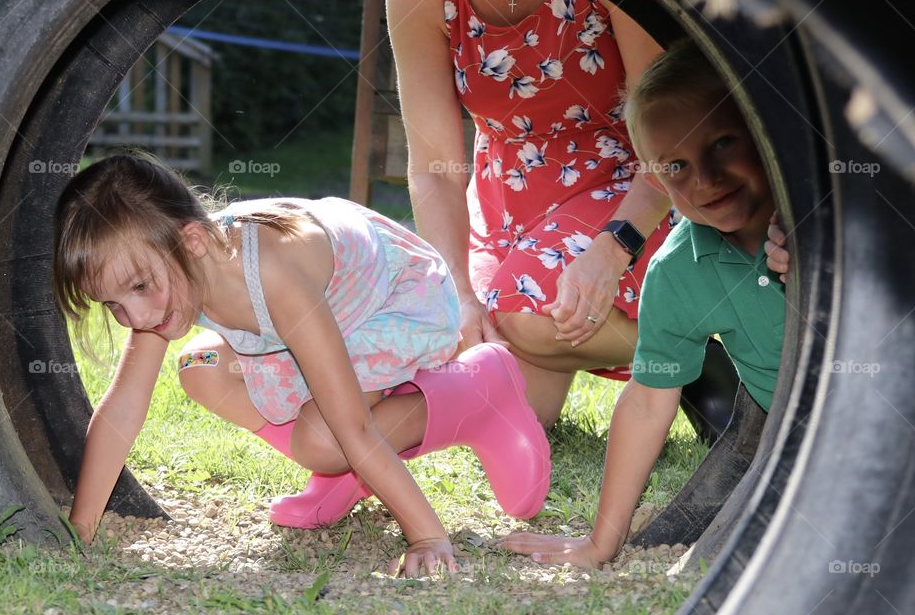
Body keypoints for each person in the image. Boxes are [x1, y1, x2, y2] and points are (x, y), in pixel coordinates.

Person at [52, 151, 551, 576]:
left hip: (395, 298)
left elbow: (352, 424)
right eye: (112, 304)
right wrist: (82, 526)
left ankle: (480, 391)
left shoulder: (272, 274)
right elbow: (122, 409)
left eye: (139, 287)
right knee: (202, 365)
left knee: (326, 437)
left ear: (193, 242)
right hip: (320, 317)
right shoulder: (171, 271)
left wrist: (426, 538)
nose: (133, 316)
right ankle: (343, 475)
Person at [384, 0, 740, 443]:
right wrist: (457, 294)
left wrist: (614, 248)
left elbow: (671, 142)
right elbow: (434, 169)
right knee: (489, 380)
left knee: (521, 316)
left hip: (634, 186)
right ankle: (670, 340)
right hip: (504, 199)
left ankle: (705, 337)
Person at [500, 40, 786, 568]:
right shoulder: (679, 271)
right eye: (675, 166)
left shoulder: (830, 213)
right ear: (653, 179)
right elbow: (650, 399)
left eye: (723, 143)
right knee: (702, 564)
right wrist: (600, 541)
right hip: (775, 420)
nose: (704, 179)